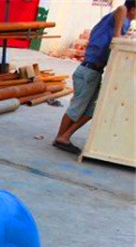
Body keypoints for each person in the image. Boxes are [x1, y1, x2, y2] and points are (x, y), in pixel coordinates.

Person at [53, 0, 135, 154]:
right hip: (88, 70)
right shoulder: (121, 14)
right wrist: (118, 35)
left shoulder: (126, 22)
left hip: (95, 72)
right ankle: (60, 138)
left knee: (92, 110)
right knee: (77, 108)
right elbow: (121, 8)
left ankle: (64, 136)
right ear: (132, 9)